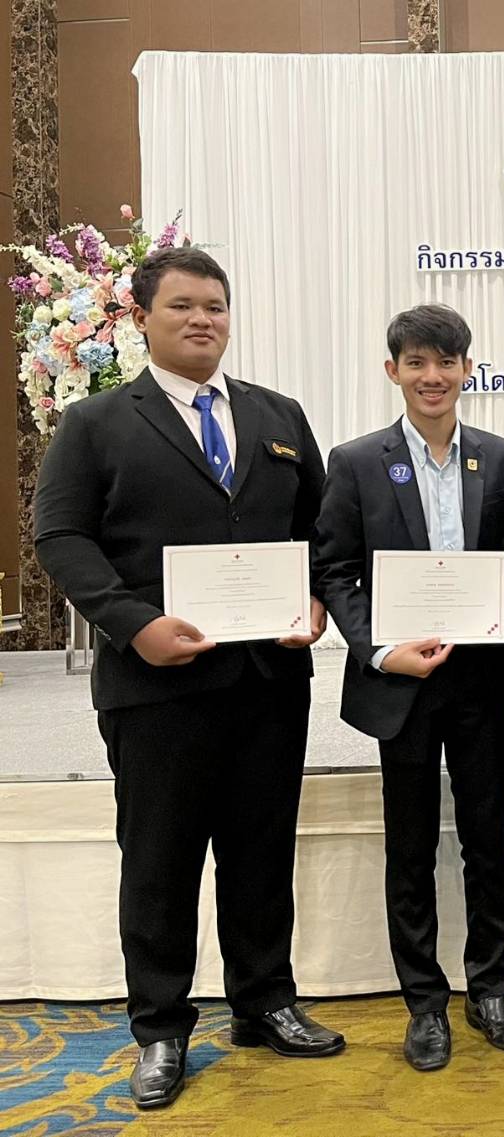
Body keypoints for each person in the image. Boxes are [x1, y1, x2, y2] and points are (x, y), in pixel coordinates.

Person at [32, 247, 344, 1110]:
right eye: (182, 306)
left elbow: (320, 529)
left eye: (215, 305)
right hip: (155, 685)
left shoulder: (278, 414)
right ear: (141, 318)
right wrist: (133, 623)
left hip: (267, 680)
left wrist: (316, 599)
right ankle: (161, 1028)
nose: (203, 319)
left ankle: (265, 1000)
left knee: (261, 850)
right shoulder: (96, 423)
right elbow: (60, 536)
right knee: (160, 860)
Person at [312, 304, 504, 1072]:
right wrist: (380, 650)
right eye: (416, 362)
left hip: (479, 682)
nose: (432, 376)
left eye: (446, 362)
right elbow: (335, 570)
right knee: (409, 847)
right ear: (393, 371)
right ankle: (424, 1002)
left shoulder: (500, 459)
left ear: (467, 369)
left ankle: (490, 988)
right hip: (401, 683)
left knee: (486, 840)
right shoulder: (356, 462)